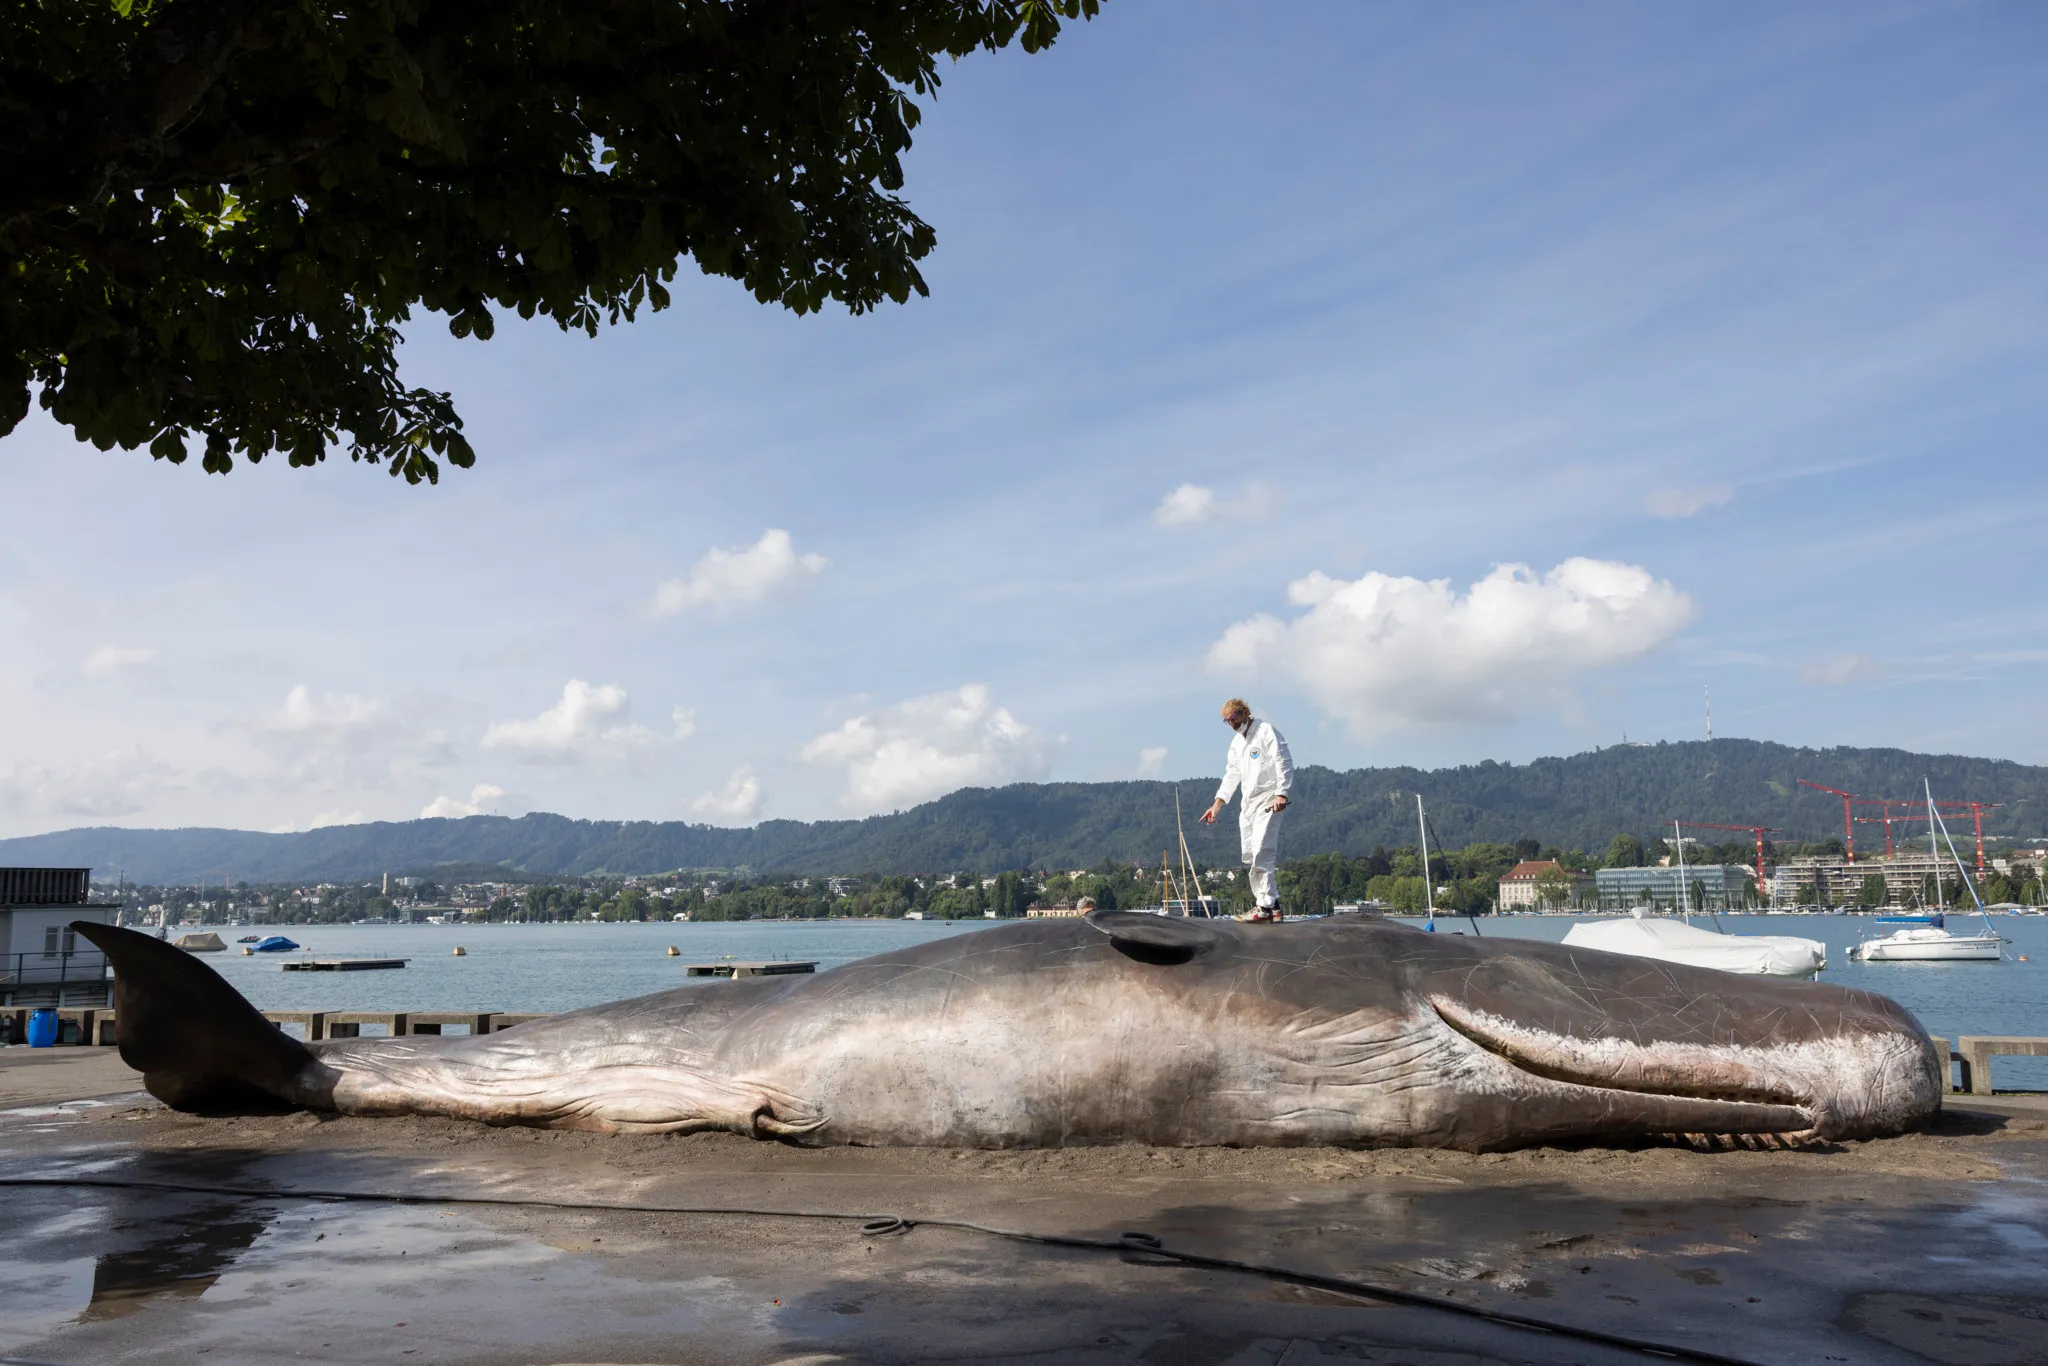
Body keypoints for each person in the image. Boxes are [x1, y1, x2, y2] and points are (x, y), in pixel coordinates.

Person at [1199, 698, 1294, 921]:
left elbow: (1283, 761)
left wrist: (1282, 793)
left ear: (1245, 713)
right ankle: (1274, 905)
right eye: (1227, 721)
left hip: (1269, 799)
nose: (1231, 724)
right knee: (1251, 854)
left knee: (1263, 851)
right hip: (1248, 804)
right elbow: (1232, 775)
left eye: (1234, 718)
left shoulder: (1265, 731)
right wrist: (1217, 805)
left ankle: (1264, 907)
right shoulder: (1236, 744)